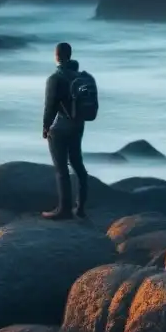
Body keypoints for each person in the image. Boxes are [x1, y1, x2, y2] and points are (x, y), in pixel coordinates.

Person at [42, 42, 94, 220]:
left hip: (61, 127)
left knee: (61, 169)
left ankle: (64, 209)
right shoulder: (81, 77)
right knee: (78, 164)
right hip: (78, 125)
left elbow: (50, 106)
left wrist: (46, 127)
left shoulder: (56, 78)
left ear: (56, 56)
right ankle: (80, 208)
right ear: (70, 55)